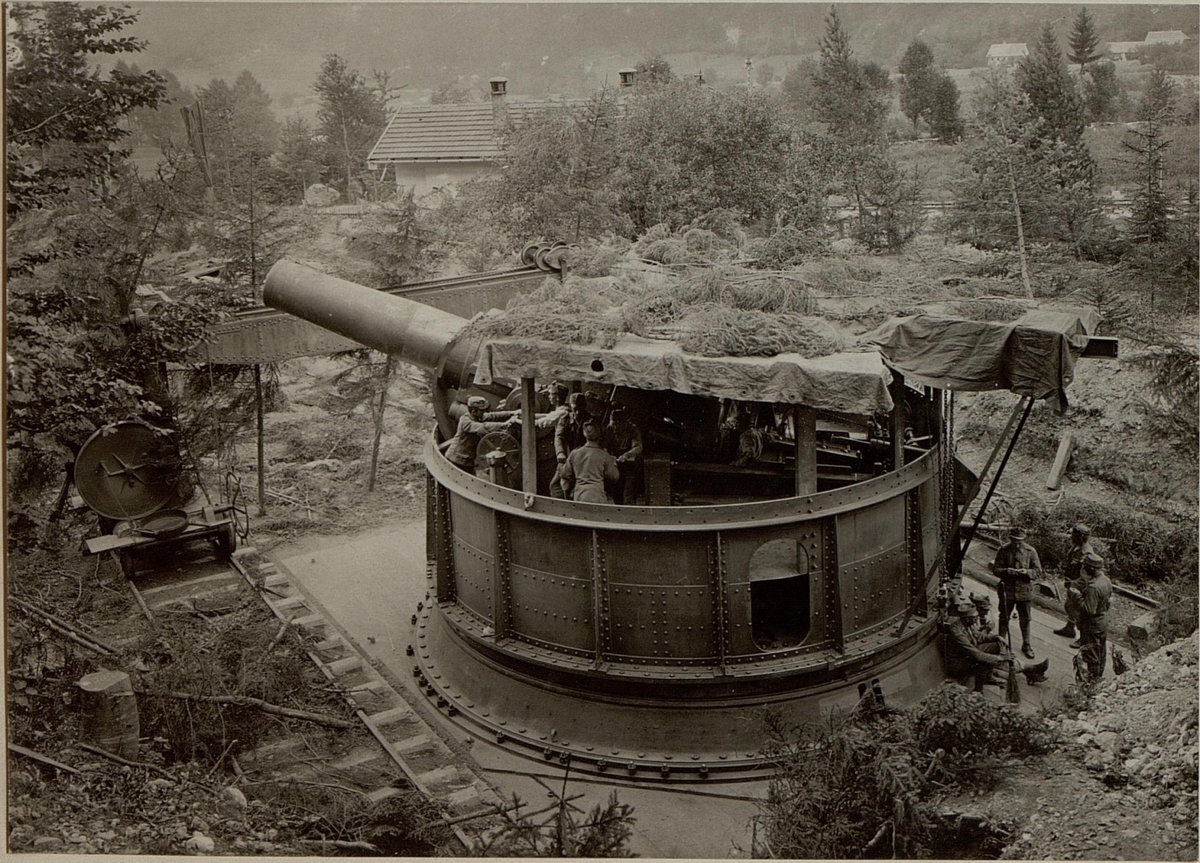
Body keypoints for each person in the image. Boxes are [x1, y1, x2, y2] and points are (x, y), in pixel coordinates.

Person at [944, 600, 1048, 691]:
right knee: (984, 660)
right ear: (967, 619)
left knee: (997, 646)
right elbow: (977, 655)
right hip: (959, 663)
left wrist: (996, 637)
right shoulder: (957, 632)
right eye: (975, 617)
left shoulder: (966, 623)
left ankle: (1026, 670)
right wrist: (1000, 658)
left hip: (968, 653)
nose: (977, 618)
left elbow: (979, 637)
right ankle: (978, 690)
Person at [992, 526, 1043, 659]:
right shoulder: (1004, 550)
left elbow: (1038, 572)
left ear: (1023, 539)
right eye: (1014, 540)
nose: (1017, 543)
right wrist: (1006, 571)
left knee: (1025, 619)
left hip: (1024, 591)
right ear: (1010, 539)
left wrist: (1026, 572)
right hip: (1007, 590)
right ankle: (1001, 644)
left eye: (1020, 540)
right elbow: (996, 569)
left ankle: (1026, 644)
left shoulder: (1031, 551)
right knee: (1004, 617)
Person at [443, 396, 518, 473]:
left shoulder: (478, 416)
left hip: (467, 461)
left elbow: (493, 415)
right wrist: (503, 425)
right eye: (481, 410)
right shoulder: (465, 421)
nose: (484, 412)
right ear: (473, 411)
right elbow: (483, 427)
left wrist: (513, 413)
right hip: (455, 460)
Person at [1072, 551, 1112, 688]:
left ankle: (1092, 684)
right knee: (1101, 653)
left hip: (1092, 625)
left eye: (1086, 566)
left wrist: (1077, 596)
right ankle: (1098, 680)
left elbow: (1089, 609)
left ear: (1092, 568)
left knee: (1091, 655)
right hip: (1102, 622)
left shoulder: (1094, 587)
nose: (1084, 568)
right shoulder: (1106, 580)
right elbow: (1108, 602)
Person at [1054, 522, 1095, 642]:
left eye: (1074, 535)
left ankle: (1083, 638)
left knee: (1079, 612)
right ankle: (1069, 628)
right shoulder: (1076, 547)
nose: (1071, 537)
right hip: (1072, 582)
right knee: (1069, 606)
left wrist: (1074, 585)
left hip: (1079, 586)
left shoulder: (1087, 553)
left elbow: (1086, 576)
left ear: (1081, 537)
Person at [560, 420, 619, 503]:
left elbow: (564, 474)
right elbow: (614, 476)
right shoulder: (604, 455)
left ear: (584, 434)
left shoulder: (574, 453)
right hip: (597, 496)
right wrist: (614, 463)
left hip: (579, 496)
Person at [551, 393, 590, 498]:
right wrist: (560, 453)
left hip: (584, 460)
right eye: (574, 409)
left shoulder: (590, 420)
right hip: (567, 457)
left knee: (575, 487)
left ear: (584, 407)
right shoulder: (565, 419)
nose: (577, 412)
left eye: (580, 409)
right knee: (555, 486)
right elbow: (559, 436)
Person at [603, 406, 643, 504]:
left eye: (617, 424)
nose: (615, 427)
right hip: (615, 465)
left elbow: (638, 447)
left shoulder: (632, 429)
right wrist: (607, 455)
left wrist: (626, 456)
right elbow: (603, 445)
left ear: (624, 422)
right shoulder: (609, 429)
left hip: (630, 466)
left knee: (628, 495)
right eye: (613, 424)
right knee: (616, 494)